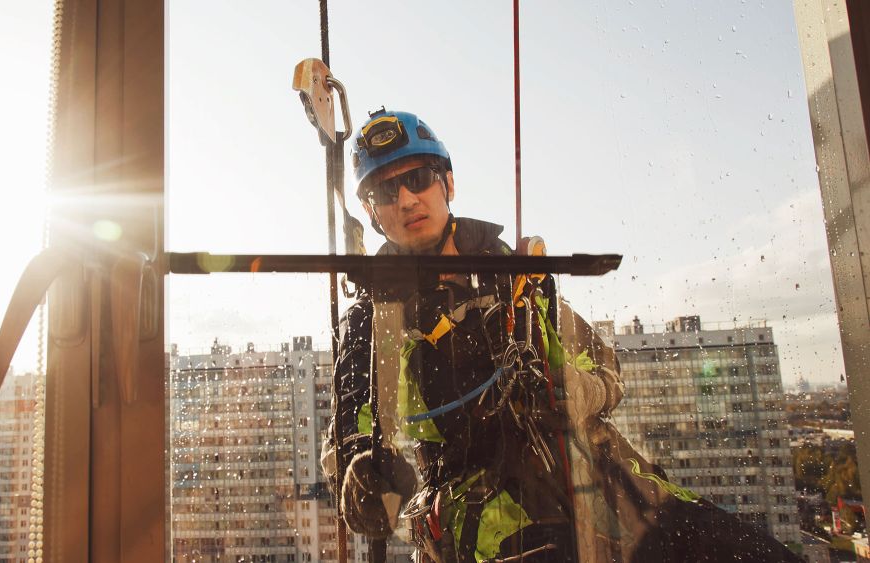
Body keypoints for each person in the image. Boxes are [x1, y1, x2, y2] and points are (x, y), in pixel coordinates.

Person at [321, 109, 802, 563]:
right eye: (385, 192)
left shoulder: (515, 278)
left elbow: (603, 367)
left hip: (608, 486)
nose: (405, 199)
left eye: (418, 178)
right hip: (484, 522)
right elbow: (347, 436)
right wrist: (360, 474)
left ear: (447, 182)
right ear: (371, 211)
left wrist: (568, 390)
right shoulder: (372, 324)